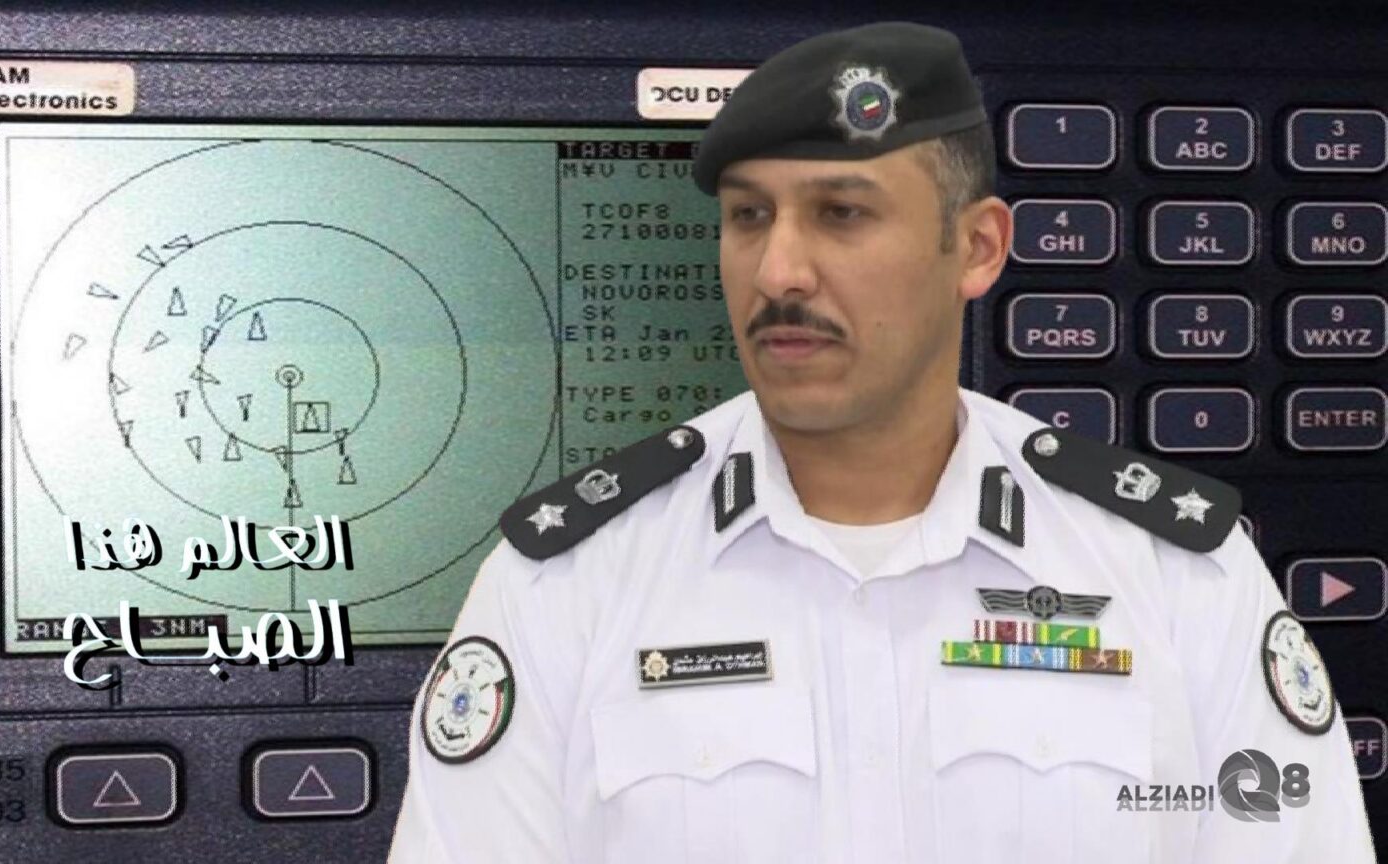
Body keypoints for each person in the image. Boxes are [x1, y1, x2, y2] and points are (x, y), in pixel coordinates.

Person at [386, 21, 1377, 864]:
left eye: (842, 213)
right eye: (748, 216)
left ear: (977, 248)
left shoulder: (1175, 572)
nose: (779, 270)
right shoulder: (567, 582)